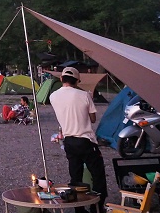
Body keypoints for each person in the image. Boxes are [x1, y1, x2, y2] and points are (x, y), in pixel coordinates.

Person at [49, 67, 108, 212]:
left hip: (68, 140)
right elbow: (93, 119)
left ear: (61, 79)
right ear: (76, 81)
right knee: (97, 174)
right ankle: (97, 207)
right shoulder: (84, 95)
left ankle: (79, 209)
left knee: (76, 176)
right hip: (85, 139)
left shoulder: (53, 96)